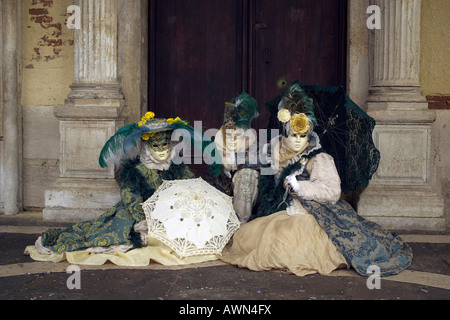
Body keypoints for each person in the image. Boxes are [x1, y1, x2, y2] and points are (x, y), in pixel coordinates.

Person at [220, 85, 413, 278]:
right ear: (284, 132)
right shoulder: (271, 150)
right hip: (273, 209)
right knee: (248, 234)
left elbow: (331, 191)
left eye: (302, 136)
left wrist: (300, 186)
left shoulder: (318, 157)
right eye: (293, 135)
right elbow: (251, 164)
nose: (298, 141)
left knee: (286, 241)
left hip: (308, 211)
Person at [26, 112, 219, 266]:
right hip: (139, 214)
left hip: (171, 214)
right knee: (118, 232)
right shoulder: (135, 171)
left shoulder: (178, 167)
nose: (161, 150)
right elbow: (131, 198)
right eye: (155, 145)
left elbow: (191, 186)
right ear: (146, 146)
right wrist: (144, 219)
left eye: (165, 145)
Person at [214, 93, 260, 224]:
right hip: (222, 198)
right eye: (229, 134)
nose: (233, 138)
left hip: (246, 208)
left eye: (238, 134)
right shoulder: (217, 151)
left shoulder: (252, 153)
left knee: (247, 175)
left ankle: (239, 228)